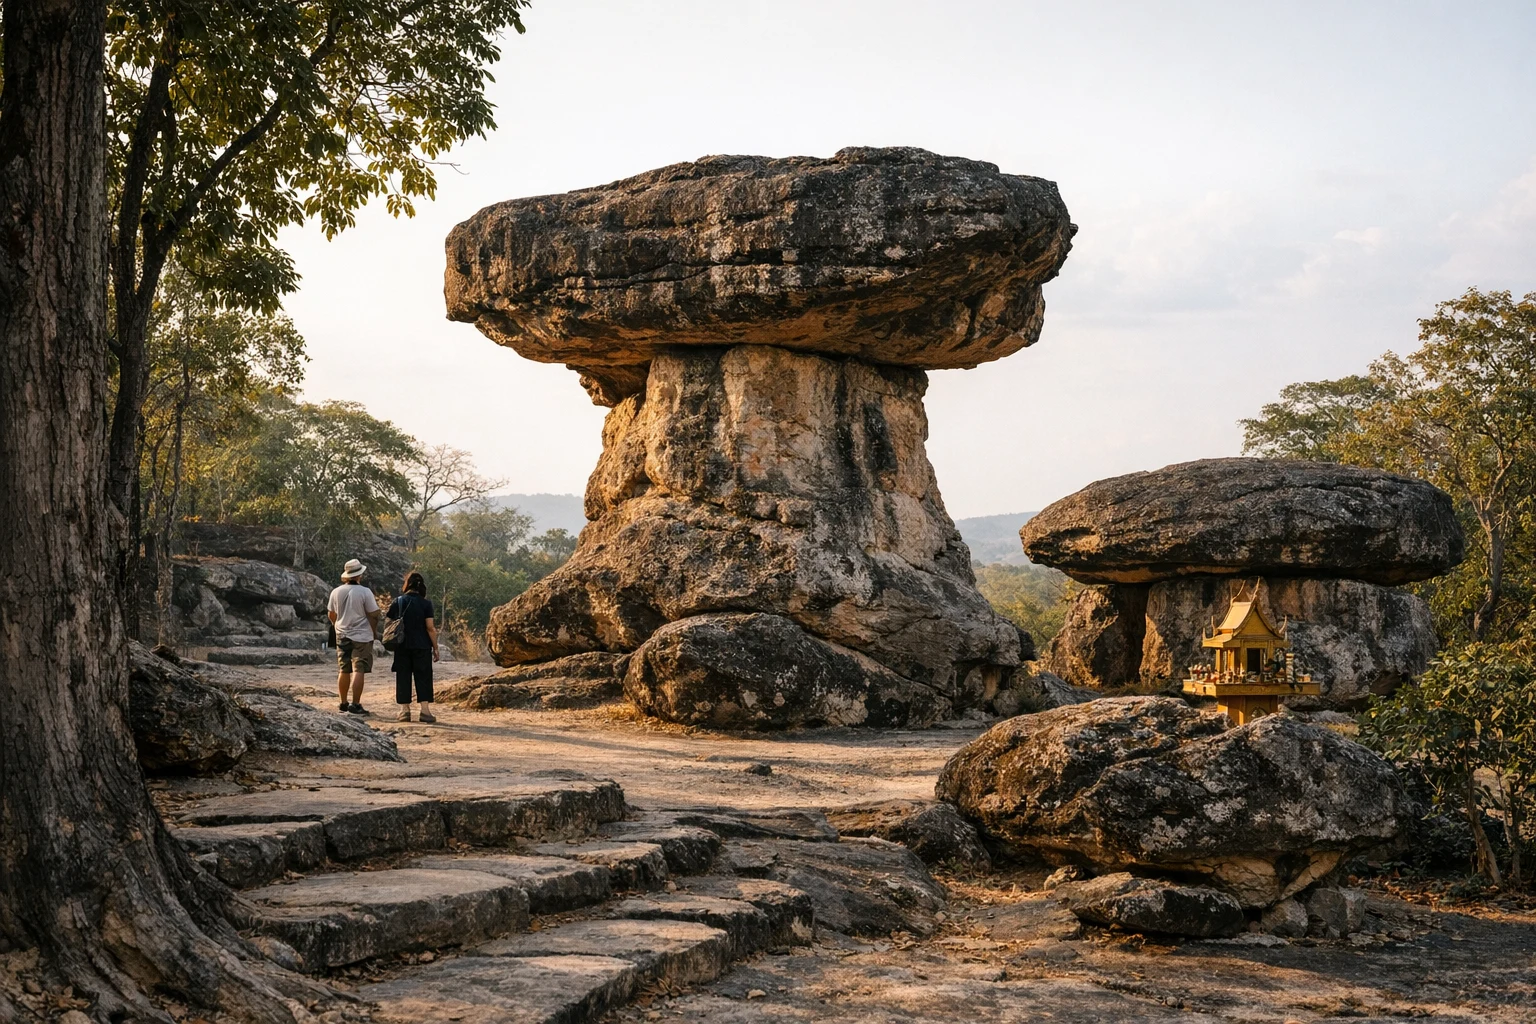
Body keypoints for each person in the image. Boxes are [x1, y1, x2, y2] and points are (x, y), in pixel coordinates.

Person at [327, 558, 380, 715]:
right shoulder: (365, 592)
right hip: (361, 636)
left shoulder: (335, 591)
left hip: (341, 633)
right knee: (359, 668)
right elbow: (374, 614)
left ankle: (343, 702)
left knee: (344, 669)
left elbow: (331, 614)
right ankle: (355, 704)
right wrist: (374, 630)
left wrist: (337, 625)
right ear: (359, 575)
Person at [387, 570, 440, 722]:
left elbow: (389, 621)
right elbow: (430, 627)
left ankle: (404, 711)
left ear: (407, 585)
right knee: (423, 676)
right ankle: (425, 711)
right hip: (422, 645)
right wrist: (435, 647)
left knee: (403, 676)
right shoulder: (426, 603)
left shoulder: (398, 601)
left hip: (402, 645)